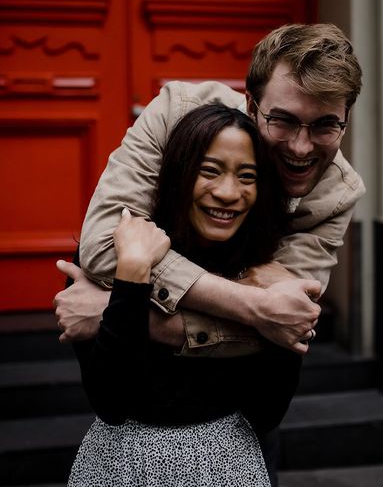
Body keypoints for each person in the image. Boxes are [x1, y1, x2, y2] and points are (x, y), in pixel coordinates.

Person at [55, 23, 365, 484]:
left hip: (239, 439)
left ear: (344, 119)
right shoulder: (177, 112)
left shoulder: (336, 194)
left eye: (325, 125)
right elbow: (104, 248)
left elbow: (284, 326)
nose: (301, 147)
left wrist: (118, 311)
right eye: (282, 121)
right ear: (252, 106)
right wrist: (254, 305)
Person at [66, 104, 308, 486]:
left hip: (230, 468)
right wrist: (131, 275)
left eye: (248, 176)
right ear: (178, 174)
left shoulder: (262, 271)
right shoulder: (111, 263)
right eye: (209, 171)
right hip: (121, 469)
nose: (229, 193)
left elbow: (267, 411)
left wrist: (274, 311)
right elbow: (112, 401)